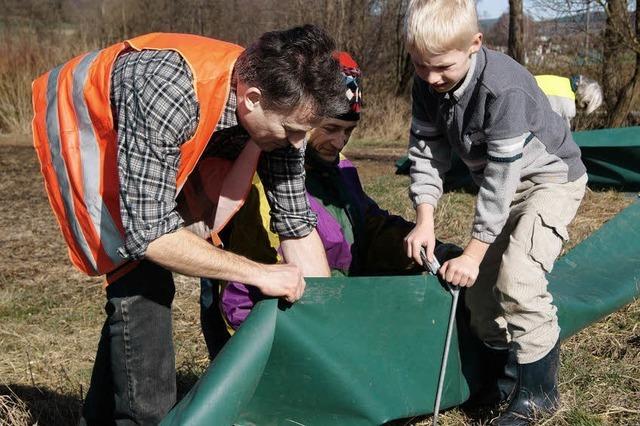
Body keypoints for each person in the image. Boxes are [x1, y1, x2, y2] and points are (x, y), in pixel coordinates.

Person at [31, 26, 348, 424]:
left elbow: (296, 225)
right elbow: (150, 236)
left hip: (161, 139)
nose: (297, 142)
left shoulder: (279, 112)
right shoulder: (168, 90)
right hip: (88, 131)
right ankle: (146, 417)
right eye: (292, 131)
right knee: (140, 276)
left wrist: (326, 330)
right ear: (252, 99)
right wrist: (259, 273)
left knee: (145, 274)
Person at [402, 1, 588, 424]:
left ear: (474, 44)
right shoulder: (427, 82)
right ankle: (501, 383)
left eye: (442, 67)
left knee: (517, 280)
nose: (431, 78)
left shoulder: (504, 88)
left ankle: (540, 394)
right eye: (419, 65)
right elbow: (427, 153)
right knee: (482, 298)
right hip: (500, 186)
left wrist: (472, 253)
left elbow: (502, 181)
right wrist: (425, 219)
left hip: (548, 182)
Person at [200, 52, 459, 339]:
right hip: (287, 334)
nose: (339, 142)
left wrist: (428, 251)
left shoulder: (339, 167)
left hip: (336, 318)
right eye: (331, 129)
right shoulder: (263, 182)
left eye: (349, 131)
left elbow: (369, 229)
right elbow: (242, 292)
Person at [535, 74, 603, 128]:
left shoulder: (564, 81)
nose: (581, 110)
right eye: (585, 107)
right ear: (586, 101)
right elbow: (562, 137)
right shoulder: (569, 109)